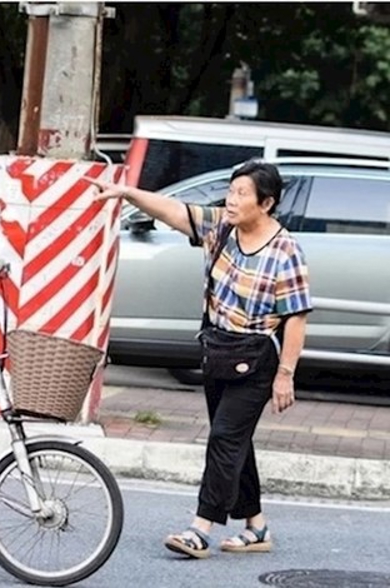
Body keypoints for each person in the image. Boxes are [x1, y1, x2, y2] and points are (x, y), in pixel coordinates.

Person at [94, 159, 312, 559]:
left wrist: (286, 374)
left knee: (225, 438)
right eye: (230, 191)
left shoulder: (286, 251)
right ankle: (257, 526)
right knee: (234, 441)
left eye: (241, 194)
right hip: (218, 351)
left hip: (257, 357)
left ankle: (201, 526)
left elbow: (296, 317)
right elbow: (174, 212)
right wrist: (128, 193)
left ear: (266, 203)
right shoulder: (222, 228)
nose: (231, 199)